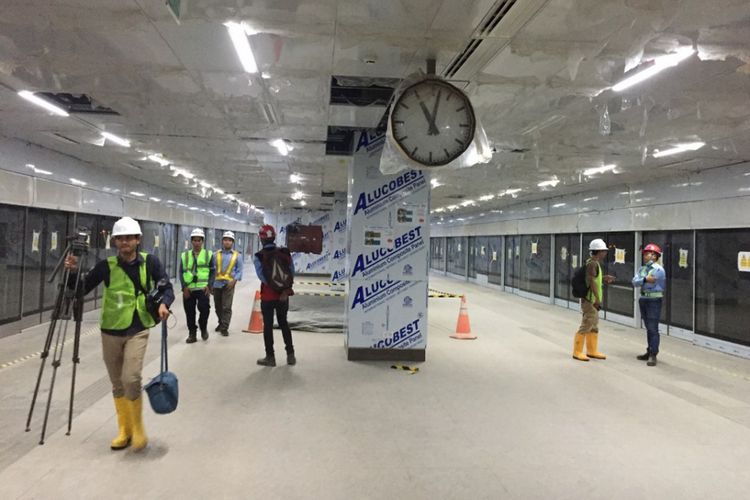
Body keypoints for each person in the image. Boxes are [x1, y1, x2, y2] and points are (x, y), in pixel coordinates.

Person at [64, 216, 173, 451]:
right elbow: (80, 289)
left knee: (131, 377)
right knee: (117, 383)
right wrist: (73, 273)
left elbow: (166, 287)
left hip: (138, 329)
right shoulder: (106, 266)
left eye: (129, 238)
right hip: (110, 330)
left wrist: (164, 302)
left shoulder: (150, 262)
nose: (125, 242)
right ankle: (124, 430)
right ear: (114, 241)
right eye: (120, 238)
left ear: (137, 240)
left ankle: (139, 427)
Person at [254, 224, 296, 367]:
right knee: (284, 323)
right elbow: (291, 272)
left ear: (261, 238)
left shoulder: (259, 256)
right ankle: (290, 355)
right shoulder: (284, 252)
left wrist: (274, 287)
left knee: (268, 326)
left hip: (268, 297)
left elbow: (262, 277)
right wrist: (284, 290)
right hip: (283, 296)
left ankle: (270, 357)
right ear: (274, 237)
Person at [573, 238, 615, 361]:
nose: (605, 253)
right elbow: (591, 282)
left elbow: (593, 279)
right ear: (598, 251)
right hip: (589, 300)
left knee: (594, 325)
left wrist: (603, 278)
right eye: (604, 250)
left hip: (592, 299)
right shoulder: (592, 264)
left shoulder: (593, 263)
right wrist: (597, 299)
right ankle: (577, 351)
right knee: (587, 324)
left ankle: (592, 350)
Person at [632, 243, 667, 366]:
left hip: (654, 300)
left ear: (655, 256)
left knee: (653, 328)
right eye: (645, 254)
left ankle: (653, 354)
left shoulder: (659, 270)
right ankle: (649, 350)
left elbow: (651, 283)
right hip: (643, 299)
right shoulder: (642, 269)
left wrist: (643, 280)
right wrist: (645, 279)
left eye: (648, 254)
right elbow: (635, 282)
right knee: (648, 327)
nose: (646, 256)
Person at [180, 228, 215, 343]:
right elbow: (181, 272)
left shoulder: (208, 255)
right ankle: (192, 334)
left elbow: (212, 271)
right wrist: (184, 287)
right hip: (188, 289)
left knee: (205, 310)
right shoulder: (185, 255)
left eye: (199, 240)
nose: (196, 243)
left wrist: (209, 286)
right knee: (189, 312)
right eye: (194, 240)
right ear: (191, 241)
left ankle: (203, 327)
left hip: (202, 288)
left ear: (202, 241)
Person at [213, 230, 243, 336]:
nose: (227, 242)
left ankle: (224, 327)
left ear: (232, 242)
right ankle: (221, 322)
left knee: (227, 307)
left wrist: (234, 281)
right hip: (216, 284)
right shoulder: (215, 254)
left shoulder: (237, 255)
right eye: (225, 240)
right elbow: (212, 270)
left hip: (229, 284)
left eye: (229, 240)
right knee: (218, 307)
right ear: (222, 241)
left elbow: (239, 271)